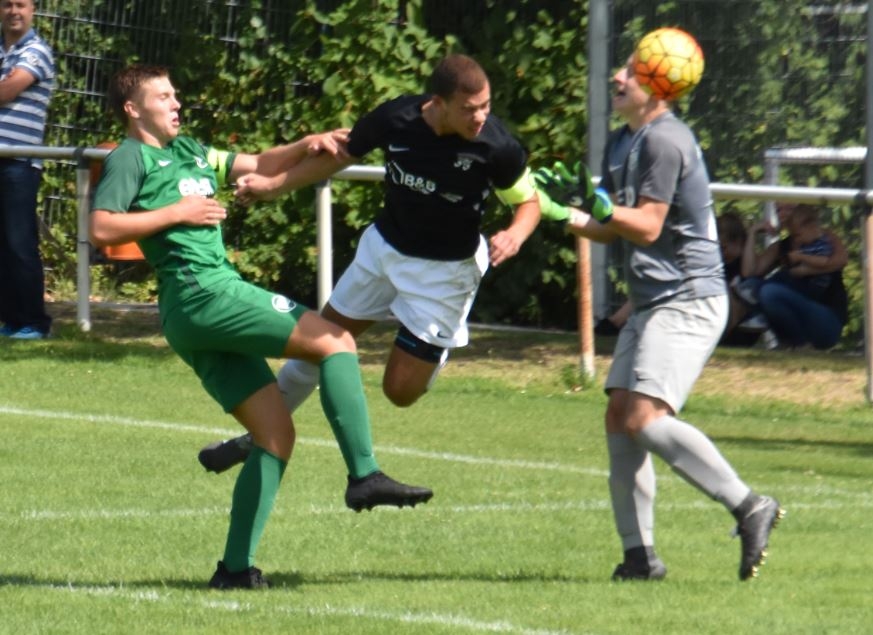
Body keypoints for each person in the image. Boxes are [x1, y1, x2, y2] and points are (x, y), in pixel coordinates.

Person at [90, 65, 432, 590]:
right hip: (204, 294)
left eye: (176, 93)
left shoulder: (192, 151)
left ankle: (234, 570)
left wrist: (305, 144)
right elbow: (101, 227)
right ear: (133, 110)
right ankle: (364, 474)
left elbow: (257, 163)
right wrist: (178, 212)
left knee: (274, 436)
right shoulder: (129, 157)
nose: (176, 103)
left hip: (194, 315)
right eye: (163, 96)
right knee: (336, 340)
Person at [197, 54, 541, 473]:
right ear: (439, 102)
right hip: (383, 251)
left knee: (399, 392)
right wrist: (274, 185)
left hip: (444, 275)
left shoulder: (496, 146)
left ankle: (438, 347)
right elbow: (339, 156)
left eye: (486, 106)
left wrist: (515, 234)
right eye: (470, 109)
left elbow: (529, 202)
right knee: (318, 343)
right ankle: (256, 438)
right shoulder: (397, 118)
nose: (481, 117)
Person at [534, 47, 783, 581]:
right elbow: (610, 226)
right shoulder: (622, 140)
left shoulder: (667, 140)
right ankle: (639, 557)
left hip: (689, 298)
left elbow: (646, 226)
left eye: (631, 71)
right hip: (653, 301)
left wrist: (599, 207)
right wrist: (564, 213)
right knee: (619, 417)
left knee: (644, 419)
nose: (617, 76)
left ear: (659, 85)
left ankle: (749, 506)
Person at [0, 0, 54, 339]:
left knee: (19, 243)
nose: (14, 11)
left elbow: (8, 90)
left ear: (33, 9)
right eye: (7, 4)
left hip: (19, 163)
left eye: (21, 4)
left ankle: (34, 321)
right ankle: (11, 320)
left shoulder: (37, 51)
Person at [741, 203, 848, 349]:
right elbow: (749, 273)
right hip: (797, 312)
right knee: (752, 286)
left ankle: (799, 343)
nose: (783, 214)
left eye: (789, 208)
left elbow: (840, 261)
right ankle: (792, 343)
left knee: (770, 292)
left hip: (825, 319)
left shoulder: (823, 236)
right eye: (778, 210)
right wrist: (752, 233)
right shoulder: (781, 246)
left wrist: (804, 270)